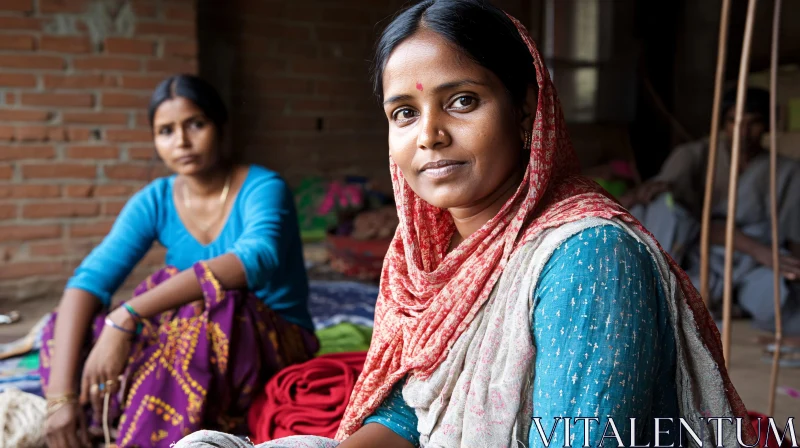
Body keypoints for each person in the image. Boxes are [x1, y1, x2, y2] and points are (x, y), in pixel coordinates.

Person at [176, 1, 755, 447]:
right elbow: (407, 415)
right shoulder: (421, 258)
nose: (428, 135)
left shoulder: (590, 257)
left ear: (527, 108)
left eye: (462, 102)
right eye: (404, 112)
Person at [40, 74, 318, 448]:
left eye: (195, 125)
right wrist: (61, 397)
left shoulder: (263, 187)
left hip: (271, 335)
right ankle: (86, 420)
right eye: (166, 131)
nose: (182, 141)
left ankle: (141, 435)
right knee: (65, 327)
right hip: (196, 332)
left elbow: (257, 259)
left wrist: (126, 317)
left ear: (221, 126)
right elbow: (90, 280)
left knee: (208, 306)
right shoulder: (155, 199)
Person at [622, 87, 800, 338]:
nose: (743, 132)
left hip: (756, 262)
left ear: (768, 125)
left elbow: (791, 237)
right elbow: (685, 217)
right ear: (722, 123)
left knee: (778, 308)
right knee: (677, 302)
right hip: (702, 257)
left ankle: (737, 302)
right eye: (734, 122)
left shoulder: (787, 171)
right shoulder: (696, 155)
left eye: (754, 123)